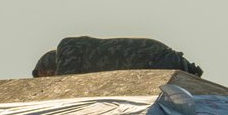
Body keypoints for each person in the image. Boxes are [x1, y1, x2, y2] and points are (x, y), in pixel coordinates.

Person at [31, 36, 201, 77]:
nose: (48, 80)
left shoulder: (67, 47)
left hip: (156, 59)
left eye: (46, 75)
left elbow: (62, 85)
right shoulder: (81, 63)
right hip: (160, 61)